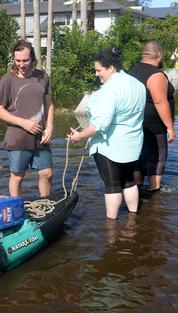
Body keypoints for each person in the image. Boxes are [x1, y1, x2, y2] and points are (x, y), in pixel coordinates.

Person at [68, 47, 145, 219]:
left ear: (111, 68)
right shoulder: (138, 85)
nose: (96, 74)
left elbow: (99, 125)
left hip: (110, 147)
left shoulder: (109, 90)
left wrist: (78, 136)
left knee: (112, 185)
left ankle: (112, 224)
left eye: (98, 70)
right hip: (132, 144)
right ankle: (133, 217)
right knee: (129, 181)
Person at [0, 40, 54, 197]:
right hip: (18, 138)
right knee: (18, 177)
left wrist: (50, 127)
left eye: (25, 60)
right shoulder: (7, 80)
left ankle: (45, 205)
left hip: (41, 136)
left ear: (32, 58)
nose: (21, 64)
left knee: (46, 173)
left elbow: (49, 104)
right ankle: (16, 209)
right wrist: (23, 123)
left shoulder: (43, 77)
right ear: (13, 59)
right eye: (18, 60)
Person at [128, 40, 176, 192]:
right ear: (159, 55)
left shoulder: (132, 71)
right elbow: (160, 102)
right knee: (156, 162)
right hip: (154, 128)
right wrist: (170, 127)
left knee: (138, 162)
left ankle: (137, 195)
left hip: (134, 126)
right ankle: (154, 195)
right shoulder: (156, 75)